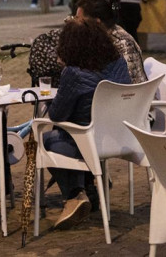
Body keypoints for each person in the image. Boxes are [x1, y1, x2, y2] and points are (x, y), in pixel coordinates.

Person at [44, 18, 133, 228]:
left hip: (90, 143)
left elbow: (56, 115)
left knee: (47, 139)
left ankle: (75, 195)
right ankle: (86, 190)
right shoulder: (119, 63)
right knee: (66, 134)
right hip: (120, 139)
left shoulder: (73, 73)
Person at [29, 0, 148, 86]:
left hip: (130, 107)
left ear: (96, 22)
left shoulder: (120, 43)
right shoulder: (100, 38)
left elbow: (124, 87)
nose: (75, 24)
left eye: (79, 20)